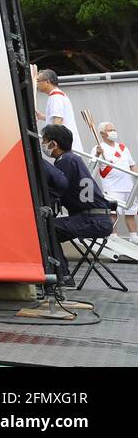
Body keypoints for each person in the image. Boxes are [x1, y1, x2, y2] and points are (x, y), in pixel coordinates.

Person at [41, 124, 113, 285]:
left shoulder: (64, 162)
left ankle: (62, 276)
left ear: (54, 144)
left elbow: (56, 189)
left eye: (44, 141)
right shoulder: (73, 159)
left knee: (45, 229)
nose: (43, 145)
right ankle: (62, 274)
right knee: (50, 228)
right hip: (98, 218)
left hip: (90, 219)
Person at [92, 122, 138, 243]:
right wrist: (97, 154)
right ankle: (114, 237)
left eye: (114, 129)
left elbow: (132, 165)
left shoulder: (123, 148)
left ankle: (134, 237)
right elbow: (93, 166)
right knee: (113, 213)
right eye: (110, 130)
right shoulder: (98, 148)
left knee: (130, 212)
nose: (113, 132)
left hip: (128, 186)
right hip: (112, 187)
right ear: (102, 134)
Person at [35, 69, 76, 136]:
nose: (37, 84)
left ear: (47, 82)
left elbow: (58, 121)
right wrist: (41, 116)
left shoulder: (55, 97)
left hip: (64, 144)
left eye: (38, 81)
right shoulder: (59, 95)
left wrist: (52, 140)